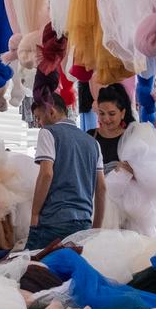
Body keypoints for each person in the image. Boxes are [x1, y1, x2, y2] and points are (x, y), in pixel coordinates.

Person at [28, 93, 105, 249]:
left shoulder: (48, 133)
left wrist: (35, 214)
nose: (38, 123)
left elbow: (46, 174)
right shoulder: (93, 143)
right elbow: (102, 187)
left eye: (38, 117)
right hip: (83, 223)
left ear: (51, 111)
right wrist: (96, 228)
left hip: (53, 220)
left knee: (28, 268)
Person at [88, 83, 135, 174]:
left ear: (122, 113)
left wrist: (131, 170)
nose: (106, 119)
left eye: (111, 114)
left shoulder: (131, 137)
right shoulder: (89, 136)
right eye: (101, 113)